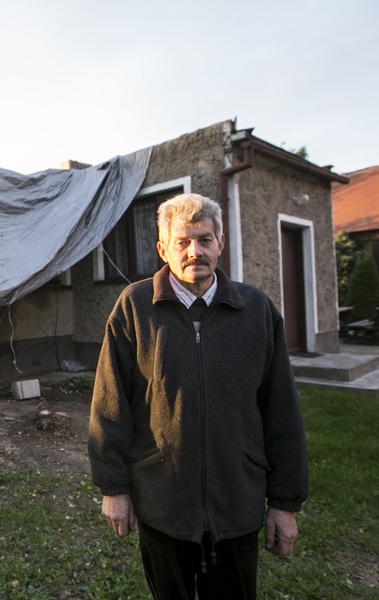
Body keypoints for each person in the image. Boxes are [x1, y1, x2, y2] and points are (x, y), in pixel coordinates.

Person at [88, 193, 309, 599]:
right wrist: (113, 488)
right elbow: (109, 405)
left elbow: (283, 413)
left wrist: (285, 501)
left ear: (220, 244)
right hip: (162, 504)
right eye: (183, 242)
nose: (195, 252)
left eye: (205, 240)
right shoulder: (134, 308)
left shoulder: (257, 311)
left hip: (236, 505)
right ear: (163, 249)